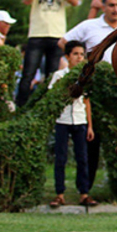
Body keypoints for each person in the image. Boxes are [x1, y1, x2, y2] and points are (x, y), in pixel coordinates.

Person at [61, 0, 117, 190]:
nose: (115, 9)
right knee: (93, 138)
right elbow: (64, 41)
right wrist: (74, 65)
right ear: (103, 7)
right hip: (96, 87)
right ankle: (86, 188)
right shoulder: (90, 26)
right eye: (111, 5)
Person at [16, 0, 79, 106]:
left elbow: (75, 2)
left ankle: (46, 107)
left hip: (56, 36)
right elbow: (26, 1)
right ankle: (21, 106)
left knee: (52, 76)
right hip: (37, 35)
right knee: (28, 74)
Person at [48, 41, 97, 207]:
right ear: (67, 56)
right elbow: (53, 96)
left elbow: (87, 101)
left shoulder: (86, 76)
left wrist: (90, 126)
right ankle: (59, 193)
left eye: (82, 54)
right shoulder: (59, 75)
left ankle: (84, 193)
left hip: (80, 120)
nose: (79, 57)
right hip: (62, 120)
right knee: (60, 158)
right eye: (75, 54)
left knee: (82, 158)